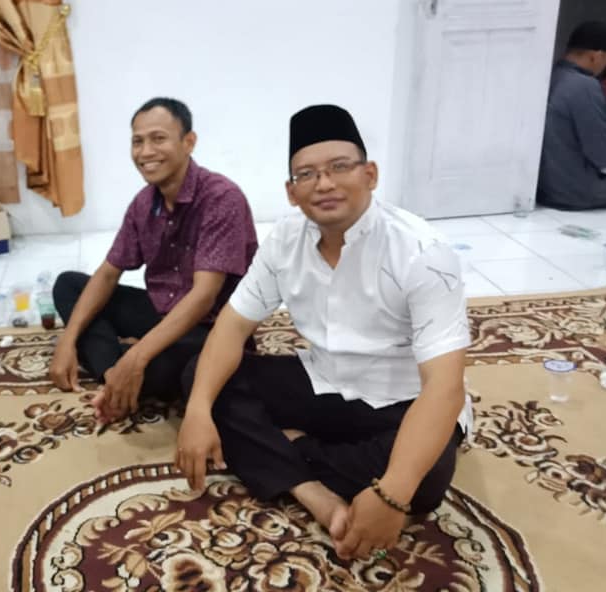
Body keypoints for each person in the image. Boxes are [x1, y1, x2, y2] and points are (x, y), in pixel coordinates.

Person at [176, 104, 471, 562]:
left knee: (425, 480)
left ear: (370, 174)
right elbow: (232, 326)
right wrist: (197, 411)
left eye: (339, 167)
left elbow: (445, 387)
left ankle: (289, 452)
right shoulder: (284, 240)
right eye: (307, 174)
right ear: (292, 192)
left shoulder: (423, 252)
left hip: (400, 400)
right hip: (323, 381)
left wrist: (392, 495)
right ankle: (312, 491)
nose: (325, 184)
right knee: (200, 375)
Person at [50, 97, 257, 422]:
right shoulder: (144, 203)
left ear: (189, 142)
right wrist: (67, 340)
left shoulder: (221, 198)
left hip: (213, 328)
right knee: (69, 285)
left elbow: (204, 297)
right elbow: (107, 274)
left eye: (158, 139)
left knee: (173, 368)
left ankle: (122, 369)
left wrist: (138, 356)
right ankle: (115, 376)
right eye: (137, 141)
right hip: (163, 312)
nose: (145, 152)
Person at [537, 20, 606, 209]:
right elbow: (603, 156)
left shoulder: (550, 75)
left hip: (545, 188)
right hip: (576, 192)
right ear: (596, 56)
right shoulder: (585, 86)